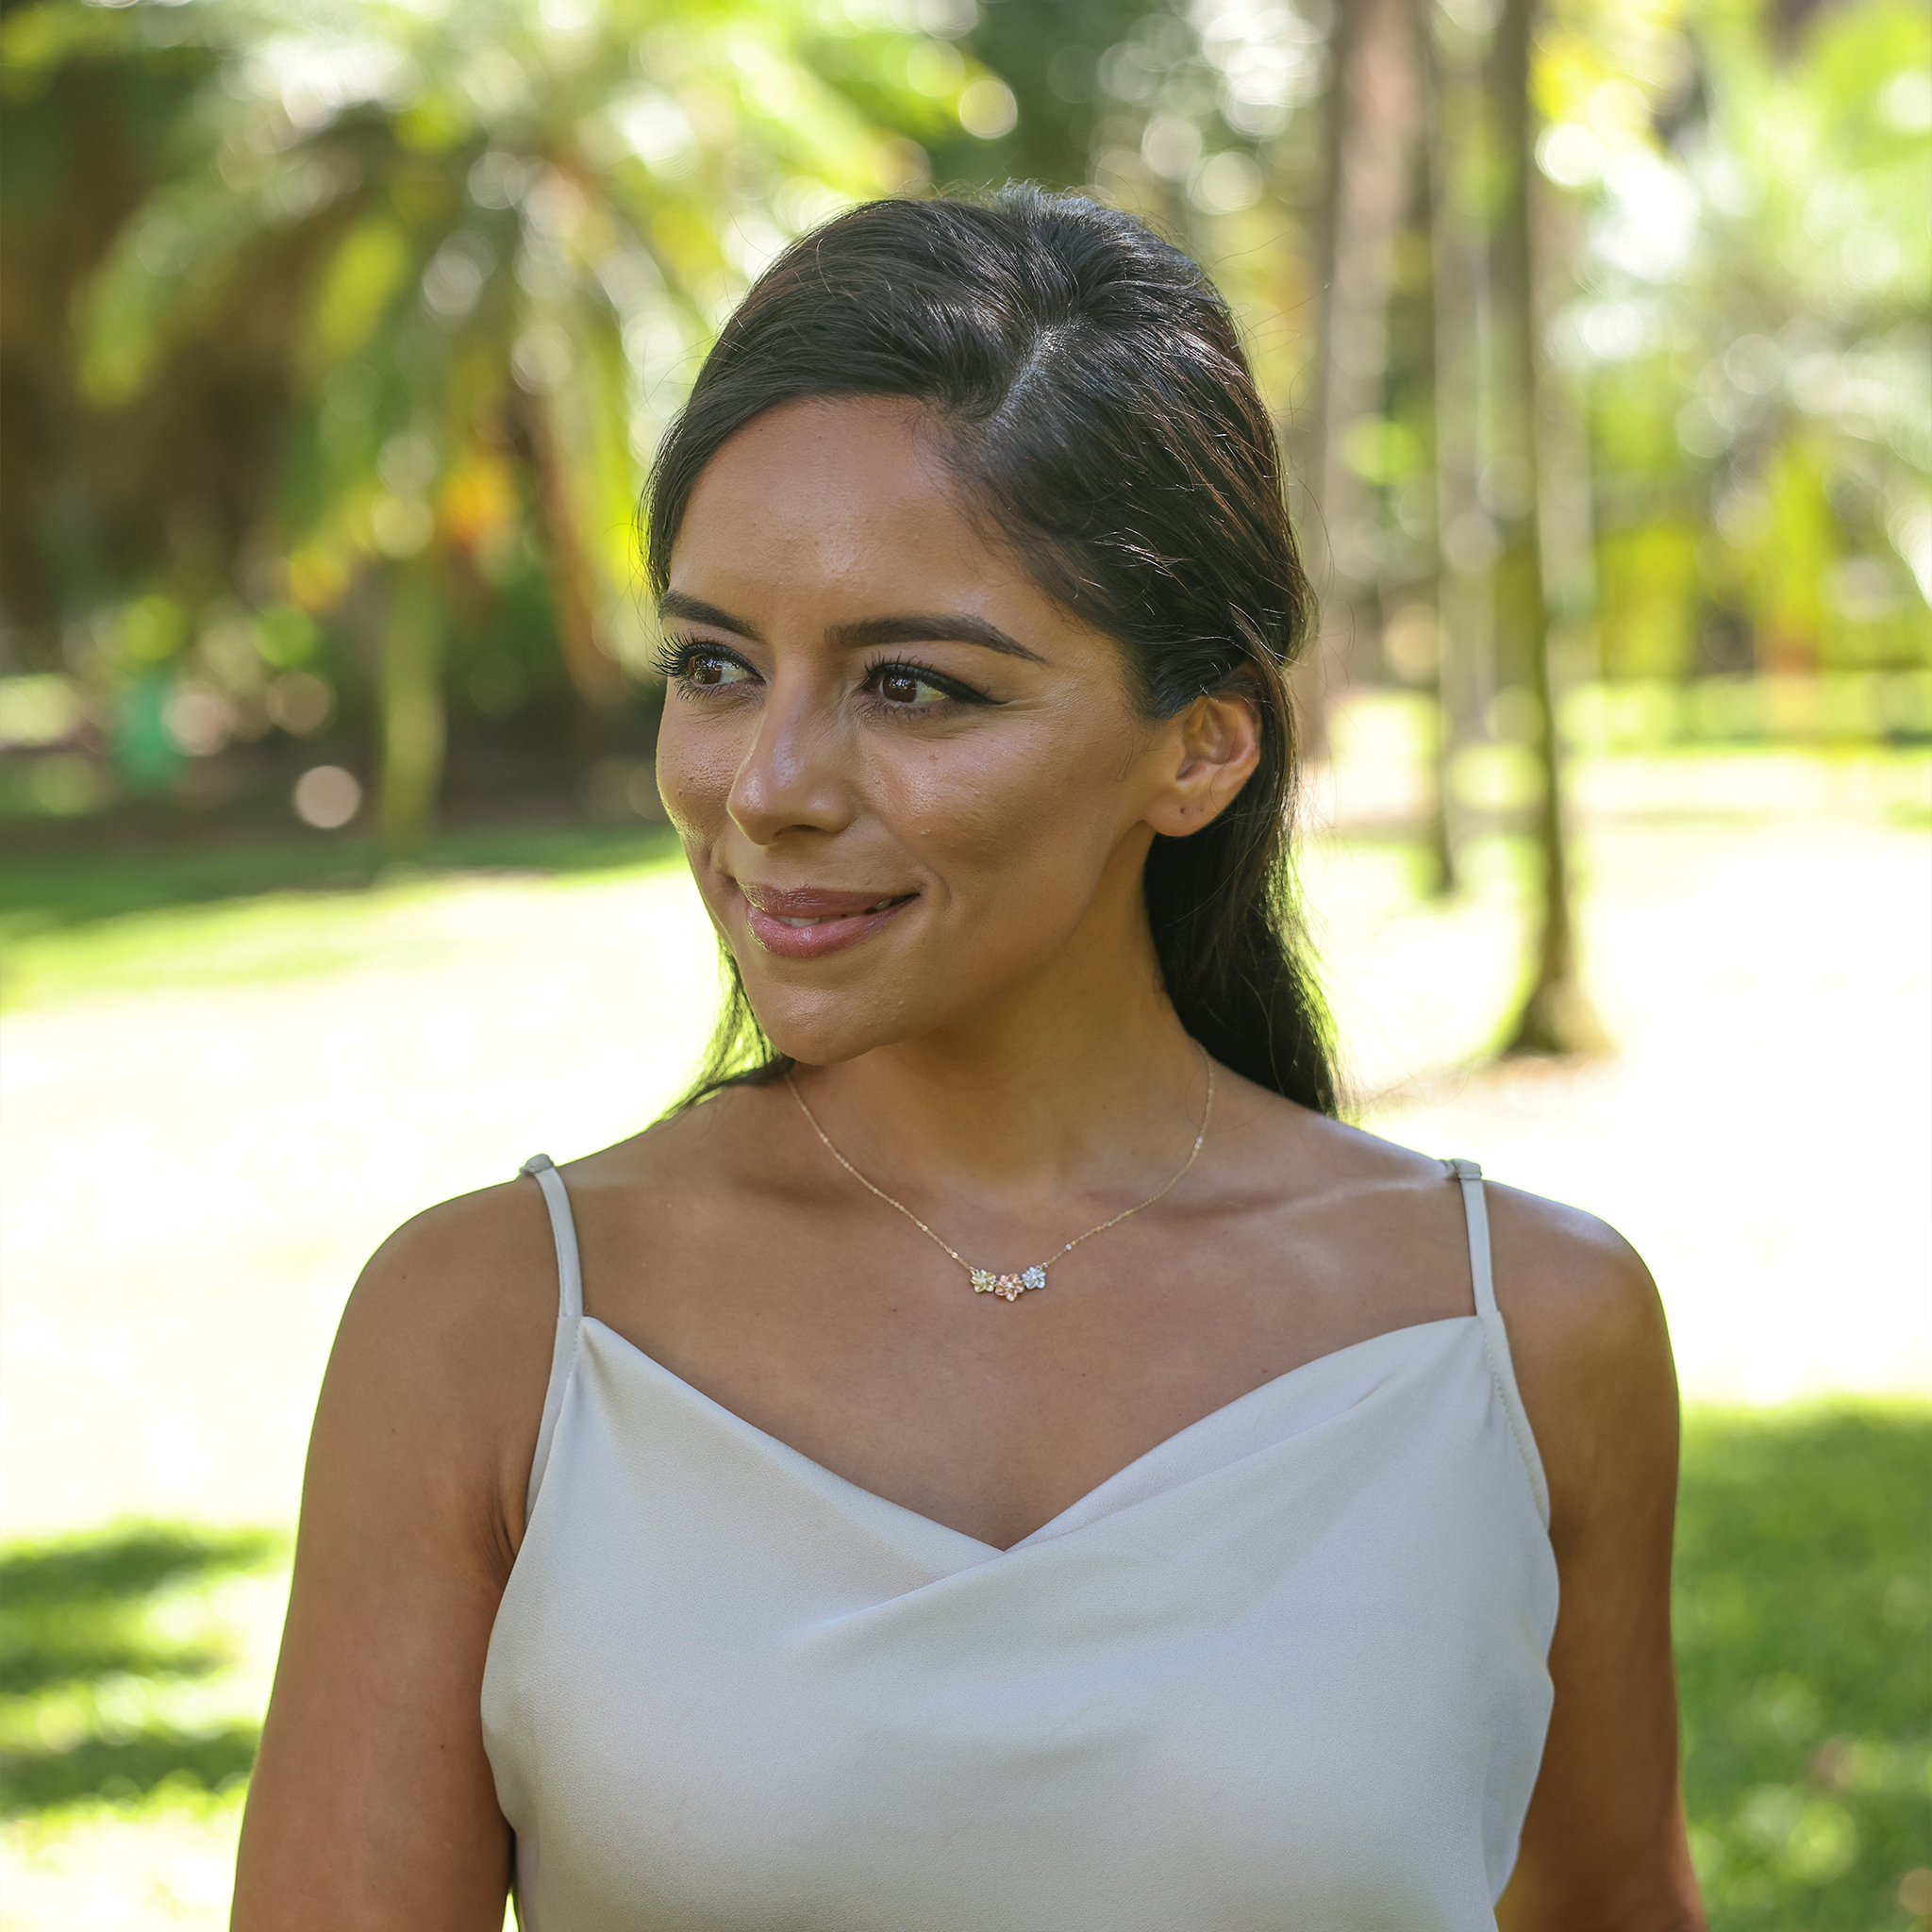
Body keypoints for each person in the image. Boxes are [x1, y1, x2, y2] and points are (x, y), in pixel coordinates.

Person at [233, 187, 1704, 1931]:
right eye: (715, 664)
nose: (767, 785)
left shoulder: (1518, 1338)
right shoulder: (493, 1333)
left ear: (1203, 749)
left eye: (913, 687)